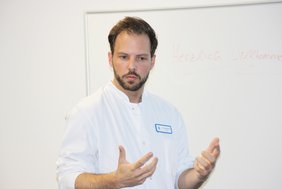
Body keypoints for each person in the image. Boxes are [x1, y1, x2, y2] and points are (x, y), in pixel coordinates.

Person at [56, 16, 220, 189]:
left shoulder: (169, 113)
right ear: (110, 59)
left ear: (152, 61)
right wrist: (115, 180)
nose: (131, 66)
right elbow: (67, 178)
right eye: (124, 57)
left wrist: (199, 174)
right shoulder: (87, 111)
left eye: (141, 58)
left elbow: (181, 180)